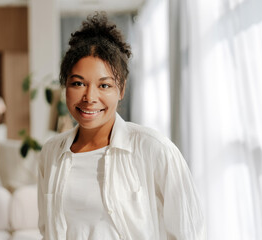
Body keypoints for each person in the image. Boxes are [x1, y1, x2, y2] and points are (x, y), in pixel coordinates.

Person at [38, 12, 206, 240]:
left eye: (104, 85)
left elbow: (188, 231)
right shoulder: (51, 153)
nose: (90, 97)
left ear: (122, 89)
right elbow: (47, 229)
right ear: (65, 86)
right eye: (78, 83)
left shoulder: (154, 150)